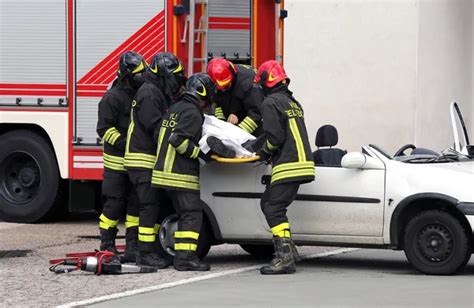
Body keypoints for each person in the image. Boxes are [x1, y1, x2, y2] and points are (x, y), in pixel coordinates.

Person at [124, 52, 186, 269]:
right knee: (149, 205)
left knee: (140, 205)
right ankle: (145, 253)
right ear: (165, 74)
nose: (178, 80)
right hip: (143, 158)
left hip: (142, 158)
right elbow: (157, 127)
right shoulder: (150, 93)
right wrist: (181, 139)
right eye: (175, 76)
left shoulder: (154, 89)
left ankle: (133, 248)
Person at [253, 60, 315, 275]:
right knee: (267, 202)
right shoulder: (293, 103)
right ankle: (290, 250)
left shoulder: (270, 103)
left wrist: (262, 153)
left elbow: (275, 138)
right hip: (303, 163)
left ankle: (285, 257)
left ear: (266, 82)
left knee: (273, 208)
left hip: (288, 164)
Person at [151, 73, 216, 271]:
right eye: (207, 100)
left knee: (183, 214)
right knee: (192, 214)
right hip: (180, 174)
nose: (206, 104)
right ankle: (185, 257)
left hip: (163, 171)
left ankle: (179, 255)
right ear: (202, 95)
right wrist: (200, 154)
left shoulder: (175, 108)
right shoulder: (192, 113)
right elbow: (177, 140)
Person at [96, 51, 147, 261]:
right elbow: (104, 129)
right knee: (114, 204)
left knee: (135, 203)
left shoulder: (138, 93)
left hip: (134, 162)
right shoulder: (111, 98)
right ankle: (107, 242)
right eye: (138, 74)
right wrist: (125, 143)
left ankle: (132, 244)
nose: (141, 77)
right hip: (116, 163)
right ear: (126, 75)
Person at [206, 58, 264, 135]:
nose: (224, 89)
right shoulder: (216, 81)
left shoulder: (249, 82)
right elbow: (218, 103)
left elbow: (257, 113)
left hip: (256, 122)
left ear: (232, 75)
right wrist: (221, 124)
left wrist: (237, 134)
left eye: (226, 85)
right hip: (235, 116)